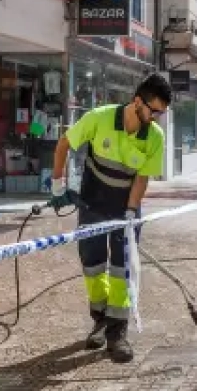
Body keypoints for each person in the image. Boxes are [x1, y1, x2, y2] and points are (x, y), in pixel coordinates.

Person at [48, 73, 170, 363]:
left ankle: (118, 333)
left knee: (122, 268)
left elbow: (142, 178)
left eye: (161, 113)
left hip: (125, 208)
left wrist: (130, 212)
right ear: (136, 101)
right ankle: (100, 321)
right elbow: (65, 143)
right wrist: (57, 185)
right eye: (153, 110)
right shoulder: (99, 118)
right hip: (92, 203)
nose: (156, 118)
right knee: (92, 265)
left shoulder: (154, 136)